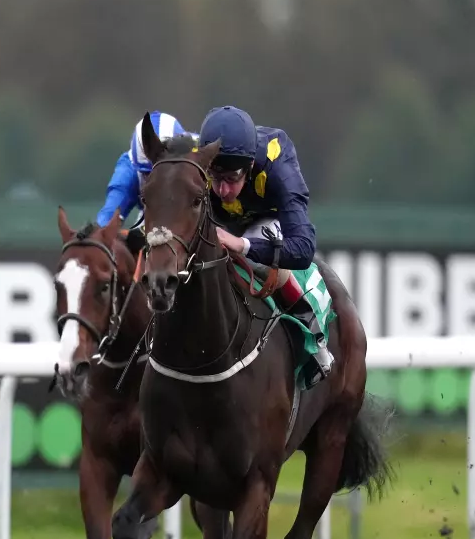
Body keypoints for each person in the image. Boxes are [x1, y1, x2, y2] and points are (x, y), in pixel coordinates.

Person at [197, 105, 334, 379]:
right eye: (215, 177)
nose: (222, 189)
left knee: (253, 257)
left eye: (232, 178)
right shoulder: (197, 160)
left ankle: (313, 335)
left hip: (265, 220)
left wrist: (243, 246)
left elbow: (303, 249)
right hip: (218, 219)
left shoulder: (278, 166)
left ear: (249, 167)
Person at [96, 110, 191, 229]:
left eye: (165, 173)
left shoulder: (200, 154)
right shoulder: (128, 170)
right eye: (148, 174)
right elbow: (106, 220)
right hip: (149, 215)